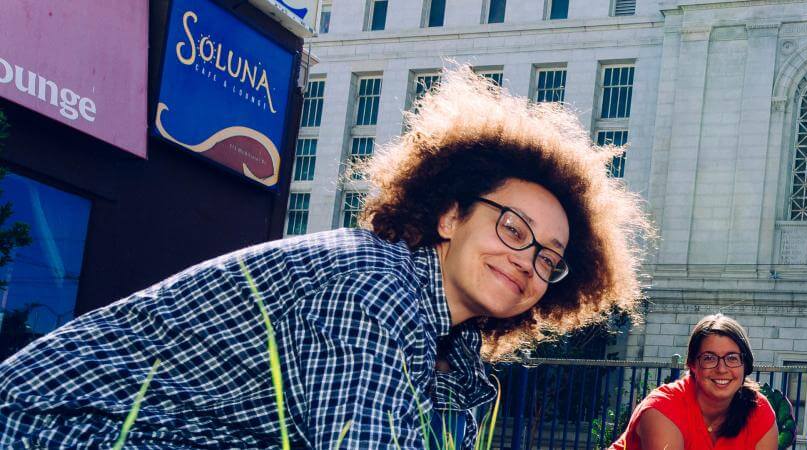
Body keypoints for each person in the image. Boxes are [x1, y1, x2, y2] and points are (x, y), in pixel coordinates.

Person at [0, 67, 650, 448]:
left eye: (549, 259)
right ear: (451, 215)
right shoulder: (370, 286)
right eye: (512, 228)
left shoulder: (459, 361)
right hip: (53, 428)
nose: (527, 261)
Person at [612, 314, 779, 450]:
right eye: (709, 358)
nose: (722, 369)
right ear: (692, 364)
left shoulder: (759, 411)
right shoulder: (662, 408)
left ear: (745, 365)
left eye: (732, 358)